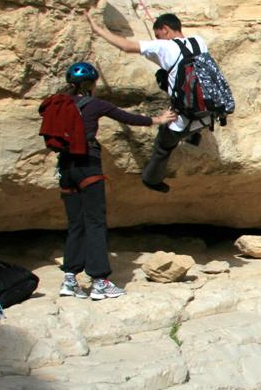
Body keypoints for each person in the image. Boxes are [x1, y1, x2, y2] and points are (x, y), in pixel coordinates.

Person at [54, 61, 176, 300]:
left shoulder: (59, 104)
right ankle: (100, 282)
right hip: (88, 165)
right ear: (92, 84)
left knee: (76, 224)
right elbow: (127, 117)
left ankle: (70, 279)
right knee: (95, 223)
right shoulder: (95, 104)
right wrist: (159, 120)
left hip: (65, 167)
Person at [86, 11, 211, 193]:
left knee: (163, 143)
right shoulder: (199, 41)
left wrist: (98, 29)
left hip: (186, 117)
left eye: (158, 35)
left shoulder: (164, 46)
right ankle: (193, 135)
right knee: (167, 77)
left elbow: (126, 46)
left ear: (165, 29)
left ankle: (151, 179)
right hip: (209, 112)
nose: (157, 39)